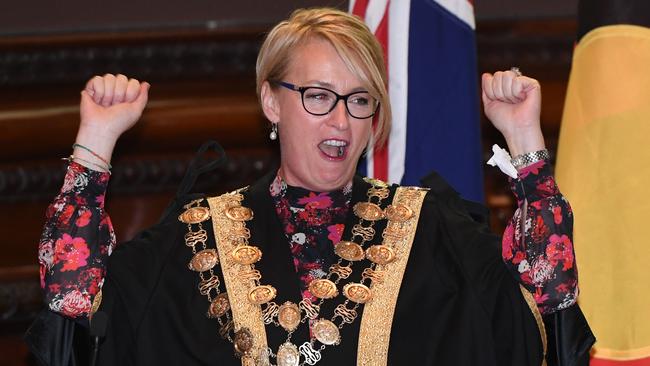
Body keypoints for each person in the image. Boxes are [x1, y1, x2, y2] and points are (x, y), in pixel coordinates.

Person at [27, 7, 594, 366]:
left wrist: (524, 141)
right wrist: (95, 144)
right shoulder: (196, 235)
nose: (342, 122)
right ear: (272, 101)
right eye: (319, 96)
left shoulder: (431, 229)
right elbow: (71, 315)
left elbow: (550, 317)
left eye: (359, 100)